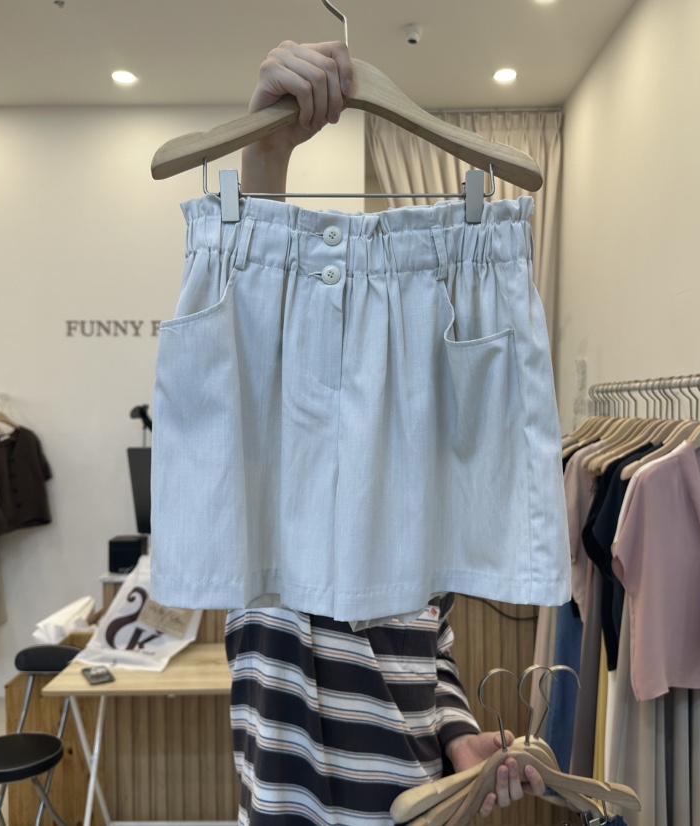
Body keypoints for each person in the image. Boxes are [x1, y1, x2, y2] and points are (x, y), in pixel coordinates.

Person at [225, 40, 547, 826]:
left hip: (419, 805)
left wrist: (459, 735)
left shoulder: (422, 470)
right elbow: (255, 327)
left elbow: (431, 643)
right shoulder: (268, 468)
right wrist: (265, 160)